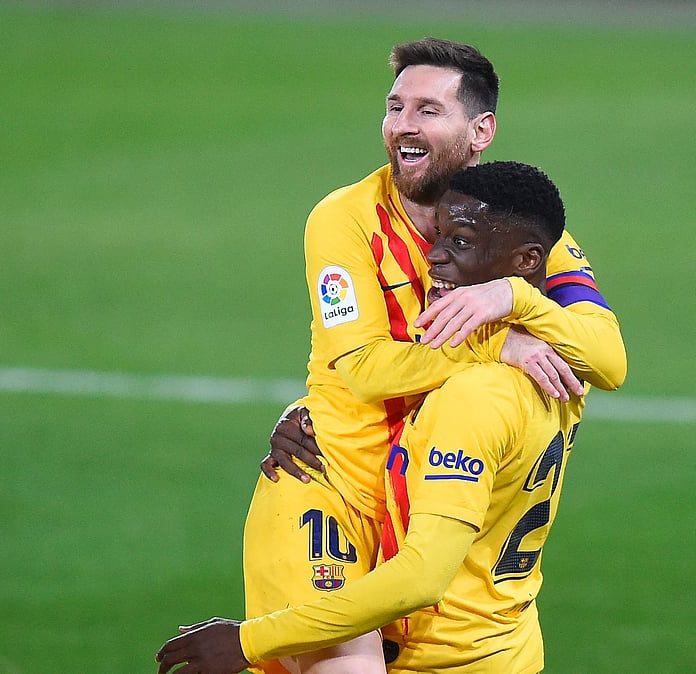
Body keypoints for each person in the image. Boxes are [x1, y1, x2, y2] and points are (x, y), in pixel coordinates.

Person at [238, 37, 625, 673]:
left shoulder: (514, 230)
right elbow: (360, 366)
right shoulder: (344, 220)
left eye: (427, 110)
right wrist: (500, 346)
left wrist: (517, 301)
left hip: (431, 505)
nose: (403, 127)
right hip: (334, 494)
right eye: (395, 107)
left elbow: (609, 360)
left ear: (481, 130)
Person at [158, 161, 588, 674]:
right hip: (511, 646)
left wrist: (248, 642)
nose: (433, 257)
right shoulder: (564, 366)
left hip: (438, 653)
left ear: (523, 262)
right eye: (439, 236)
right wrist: (317, 412)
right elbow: (611, 358)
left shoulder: (472, 398)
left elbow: (421, 576)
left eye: (462, 243)